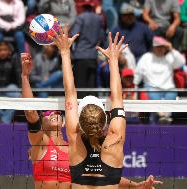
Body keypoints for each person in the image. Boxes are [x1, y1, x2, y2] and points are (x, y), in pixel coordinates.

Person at [21, 52, 163, 189]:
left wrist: (64, 52)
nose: (53, 113)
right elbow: (30, 112)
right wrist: (25, 77)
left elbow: (105, 177)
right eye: (47, 112)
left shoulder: (73, 143)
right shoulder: (45, 144)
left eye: (56, 112)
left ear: (74, 121)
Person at [53, 25, 158, 188]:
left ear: (80, 122)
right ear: (105, 121)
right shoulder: (115, 137)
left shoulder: (74, 136)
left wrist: (65, 53)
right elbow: (117, 98)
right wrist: (113, 60)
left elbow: (70, 93)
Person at [134, 36, 186, 123]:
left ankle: (164, 118)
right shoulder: (146, 57)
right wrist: (135, 85)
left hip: (169, 88)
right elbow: (138, 73)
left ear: (166, 48)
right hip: (152, 88)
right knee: (154, 101)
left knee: (171, 95)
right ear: (153, 47)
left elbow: (181, 62)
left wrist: (172, 49)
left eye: (162, 47)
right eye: (158, 46)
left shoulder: (169, 57)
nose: (160, 49)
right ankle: (162, 116)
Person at [70, 2, 105, 97]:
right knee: (92, 88)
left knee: (81, 88)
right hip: (93, 56)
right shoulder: (98, 19)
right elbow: (102, 37)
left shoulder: (80, 18)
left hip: (80, 56)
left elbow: (74, 34)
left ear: (83, 7)